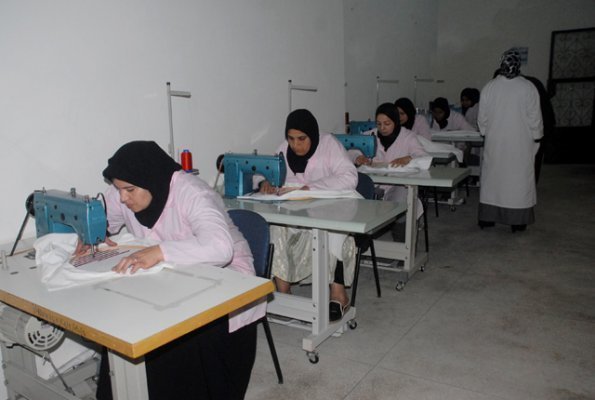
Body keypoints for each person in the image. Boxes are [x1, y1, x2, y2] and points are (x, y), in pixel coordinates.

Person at [86, 141, 265, 400]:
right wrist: (89, 234)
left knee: (179, 334)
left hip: (227, 278)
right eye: (118, 189)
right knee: (127, 322)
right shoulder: (126, 191)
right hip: (173, 276)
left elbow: (219, 248)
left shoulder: (192, 193)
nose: (123, 198)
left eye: (129, 190)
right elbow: (104, 218)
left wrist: (159, 251)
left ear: (150, 179)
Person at [259, 109, 358, 322]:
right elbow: (269, 173)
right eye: (291, 138)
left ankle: (338, 295)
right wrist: (265, 182)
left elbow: (350, 177)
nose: (296, 145)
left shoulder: (329, 145)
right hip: (297, 213)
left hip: (331, 209)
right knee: (275, 227)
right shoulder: (283, 150)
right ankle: (283, 292)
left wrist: (310, 188)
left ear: (312, 135)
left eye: (302, 139)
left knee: (334, 232)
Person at [477, 50, 543, 232]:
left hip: (495, 143)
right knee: (517, 182)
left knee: (493, 181)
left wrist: (487, 132)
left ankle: (488, 219)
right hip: (520, 144)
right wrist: (537, 136)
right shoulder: (528, 87)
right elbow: (535, 117)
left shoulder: (490, 87)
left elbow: (482, 120)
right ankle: (517, 222)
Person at [353, 103, 428, 240]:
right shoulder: (370, 135)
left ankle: (403, 246)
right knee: (354, 202)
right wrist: (357, 157)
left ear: (396, 121)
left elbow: (423, 157)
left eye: (387, 123)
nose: (382, 128)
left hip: (398, 185)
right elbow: (353, 150)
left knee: (400, 203)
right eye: (379, 124)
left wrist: (408, 158)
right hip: (374, 184)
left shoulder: (408, 137)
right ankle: (360, 244)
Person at [523, 75, 555, 184]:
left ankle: (530, 184)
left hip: (540, 126)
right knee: (536, 159)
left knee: (534, 159)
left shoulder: (526, 85)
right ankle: (532, 183)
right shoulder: (531, 82)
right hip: (543, 124)